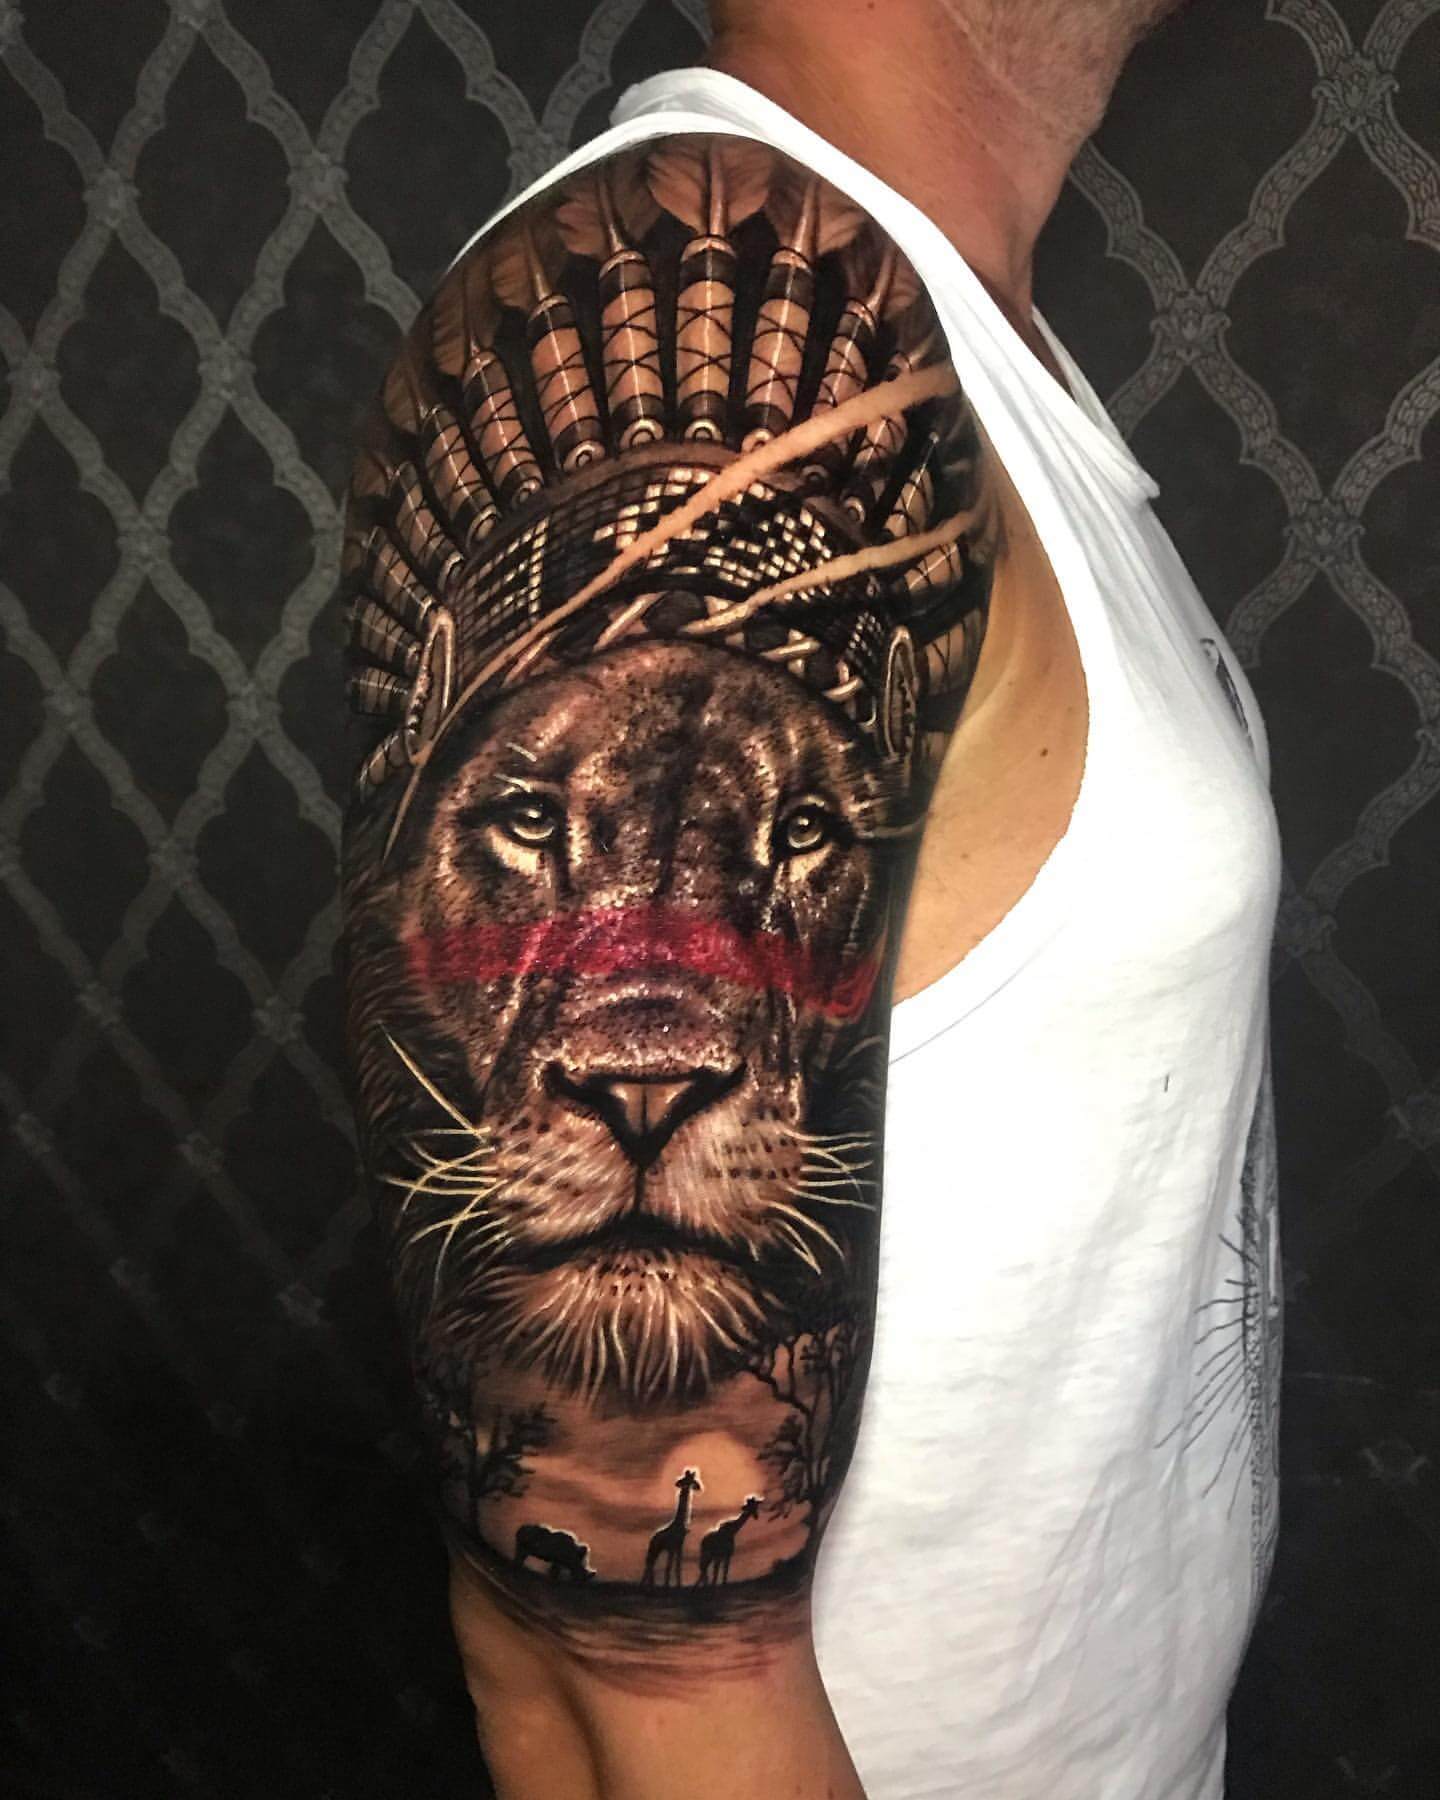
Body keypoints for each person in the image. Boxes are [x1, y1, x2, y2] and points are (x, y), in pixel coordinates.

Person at [338, 1, 1282, 1794]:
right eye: (530, 820)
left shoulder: (961, 344)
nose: (644, 1055)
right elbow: (623, 1668)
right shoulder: (754, 329)